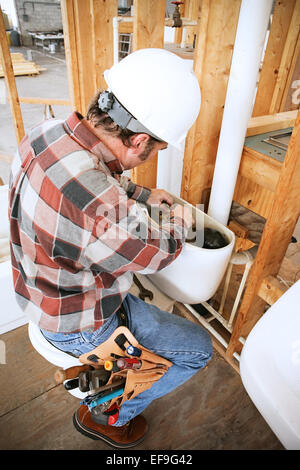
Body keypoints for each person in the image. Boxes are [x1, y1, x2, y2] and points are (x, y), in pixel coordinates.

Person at [8, 48, 212, 448]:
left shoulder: (46, 132)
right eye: (153, 149)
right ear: (138, 140)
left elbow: (97, 180)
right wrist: (181, 220)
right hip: (79, 325)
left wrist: (143, 194)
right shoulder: (101, 204)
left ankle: (106, 381)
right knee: (197, 350)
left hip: (37, 295)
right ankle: (107, 414)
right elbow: (159, 252)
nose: (149, 156)